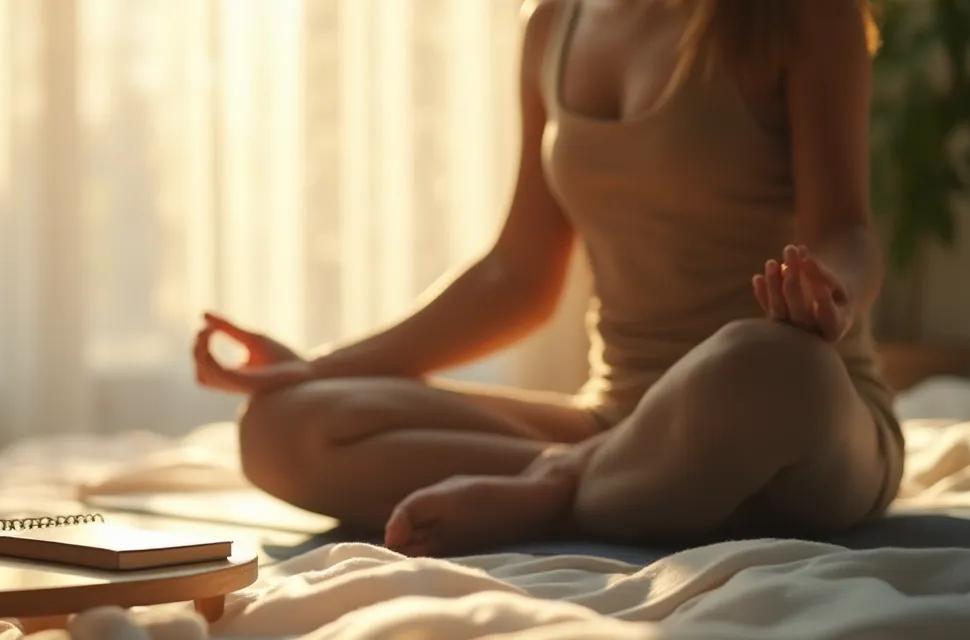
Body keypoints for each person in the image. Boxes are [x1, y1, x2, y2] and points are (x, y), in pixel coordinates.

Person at [192, 0, 898, 556]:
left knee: (760, 361)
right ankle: (617, 481)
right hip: (617, 419)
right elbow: (516, 276)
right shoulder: (553, 22)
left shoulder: (801, 11)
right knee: (280, 429)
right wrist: (316, 370)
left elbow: (847, 230)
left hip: (782, 415)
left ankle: (558, 487)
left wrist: (829, 291)